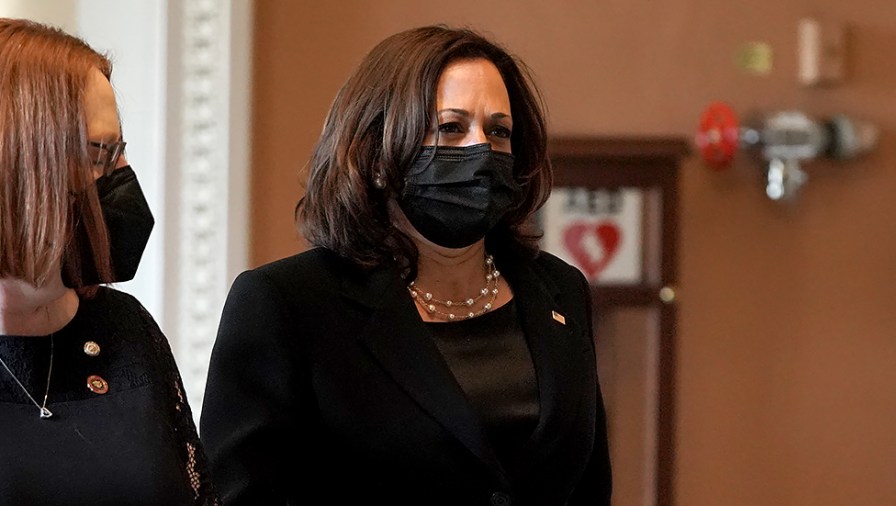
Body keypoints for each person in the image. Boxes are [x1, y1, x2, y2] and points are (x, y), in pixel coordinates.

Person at [201, 25, 612, 505]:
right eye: (451, 127)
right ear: (376, 154)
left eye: (499, 132)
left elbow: (589, 485)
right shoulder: (286, 304)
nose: (481, 150)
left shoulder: (559, 291)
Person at [0, 18, 218, 505]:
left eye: (120, 151)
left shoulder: (126, 330)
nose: (123, 177)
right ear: (20, 162)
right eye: (100, 153)